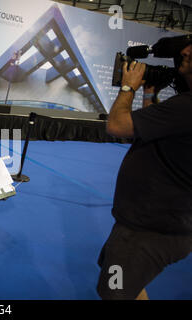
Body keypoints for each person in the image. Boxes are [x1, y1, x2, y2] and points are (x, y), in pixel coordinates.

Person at [96, 37, 192, 300]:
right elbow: (154, 132)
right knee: (126, 286)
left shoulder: (187, 107)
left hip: (148, 231)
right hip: (154, 224)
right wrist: (149, 94)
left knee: (114, 293)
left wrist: (128, 86)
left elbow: (117, 125)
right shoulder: (183, 107)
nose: (184, 51)